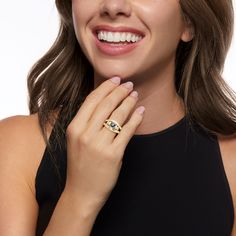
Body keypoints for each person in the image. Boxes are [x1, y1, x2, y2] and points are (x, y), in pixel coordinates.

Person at [0, 0, 236, 235]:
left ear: (190, 21)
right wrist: (80, 198)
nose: (113, 6)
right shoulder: (16, 146)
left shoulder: (232, 162)